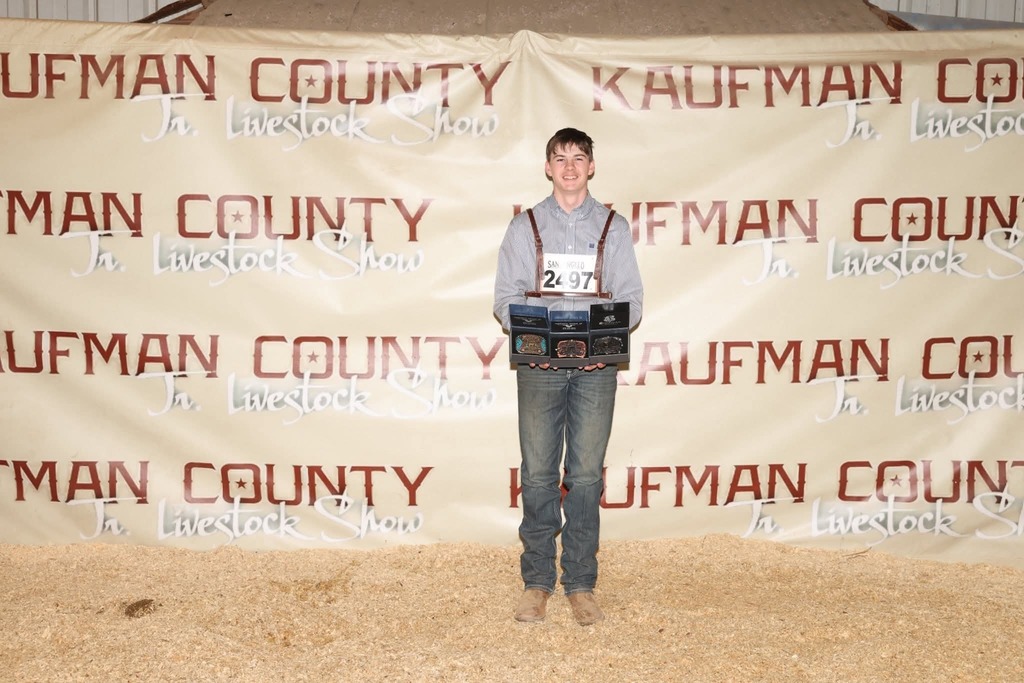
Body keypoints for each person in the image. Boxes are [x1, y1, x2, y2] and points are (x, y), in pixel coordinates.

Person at [493, 128, 643, 626]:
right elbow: (506, 299)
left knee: (583, 477)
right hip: (539, 368)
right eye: (560, 158)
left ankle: (580, 582)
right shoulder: (524, 227)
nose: (570, 166)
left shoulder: (614, 228)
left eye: (579, 158)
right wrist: (530, 339)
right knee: (537, 474)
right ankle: (537, 581)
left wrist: (609, 342)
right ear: (548, 167)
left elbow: (631, 300)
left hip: (596, 370)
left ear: (592, 166)